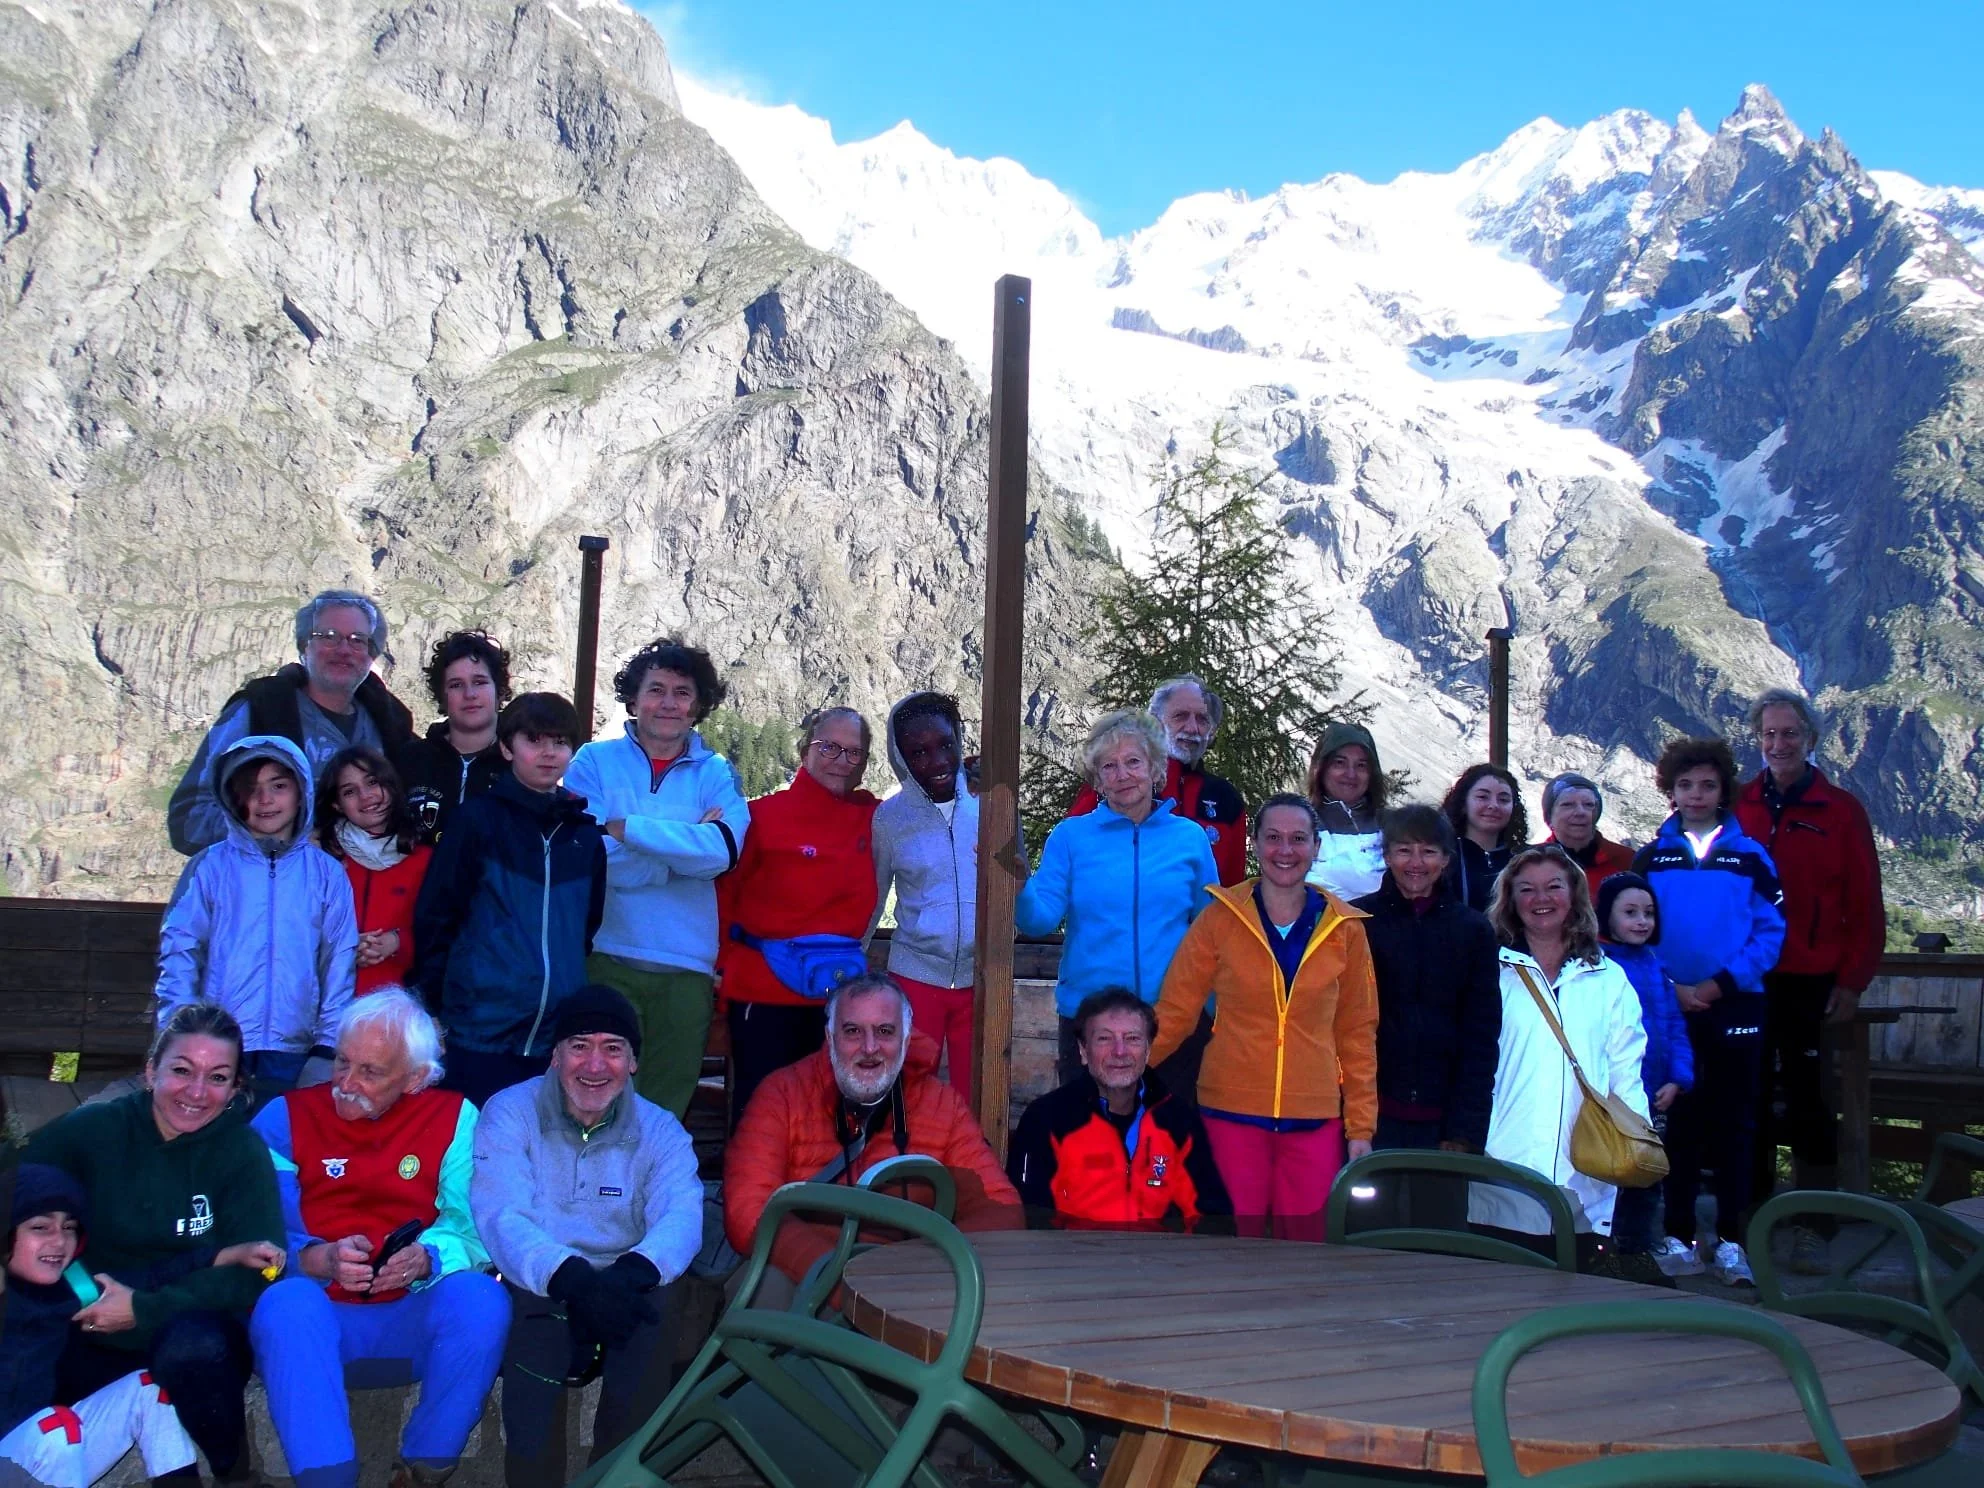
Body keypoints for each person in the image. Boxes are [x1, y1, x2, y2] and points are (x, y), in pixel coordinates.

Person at [249, 991, 508, 1488]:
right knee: (288, 1303)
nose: (345, 1084)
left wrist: (427, 1258)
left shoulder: (455, 1118)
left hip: (407, 1321)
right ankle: (328, 1479)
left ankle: (422, 1470)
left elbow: (475, 1226)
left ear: (415, 1078)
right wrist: (314, 1258)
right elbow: (252, 1236)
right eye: (341, 1062)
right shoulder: (283, 1119)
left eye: (370, 1072)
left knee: (481, 1298)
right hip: (312, 1328)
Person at [22, 1004, 285, 1485]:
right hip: (89, 1320)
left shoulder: (242, 1153)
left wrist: (146, 1308)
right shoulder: (96, 1131)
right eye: (182, 1071)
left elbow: (261, 1268)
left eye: (218, 1077)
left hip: (186, 1328)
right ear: (150, 1071)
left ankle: (233, 1472)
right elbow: (13, 1188)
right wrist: (77, 1286)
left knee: (197, 1347)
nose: (197, 1092)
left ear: (235, 1089)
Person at [472, 986, 702, 1488]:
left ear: (634, 1062)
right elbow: (501, 1214)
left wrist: (632, 1273)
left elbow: (681, 1216)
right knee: (534, 1319)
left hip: (626, 1277)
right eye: (579, 1045)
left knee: (656, 1309)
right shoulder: (509, 1113)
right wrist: (569, 1277)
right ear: (555, 1054)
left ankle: (616, 1478)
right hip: (539, 1276)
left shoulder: (662, 1131)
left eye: (613, 1048)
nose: (594, 1065)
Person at [1151, 794, 1379, 1242]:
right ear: (1255, 844)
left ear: (1316, 847)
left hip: (1314, 1120)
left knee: (1308, 1251)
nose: (1285, 850)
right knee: (1231, 1246)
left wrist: (1361, 1126)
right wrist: (1118, 1079)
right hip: (1229, 1113)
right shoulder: (1219, 920)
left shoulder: (1345, 930)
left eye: (1298, 839)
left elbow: (1356, 1033)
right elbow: (1176, 1013)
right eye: (1273, 838)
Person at [722, 974, 1023, 1292]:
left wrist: (922, 1265)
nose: (869, 1048)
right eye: (853, 1031)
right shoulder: (780, 1095)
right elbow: (748, 1211)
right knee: (763, 1290)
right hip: (807, 1278)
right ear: (830, 1036)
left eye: (884, 1032)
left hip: (904, 1282)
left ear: (906, 1041)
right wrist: (839, 1277)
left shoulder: (940, 1104)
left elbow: (1001, 1209)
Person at [564, 641, 750, 1121]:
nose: (669, 703)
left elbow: (723, 852)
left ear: (697, 706)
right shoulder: (591, 762)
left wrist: (628, 829)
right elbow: (588, 855)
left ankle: (648, 1198)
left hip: (686, 970)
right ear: (633, 699)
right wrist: (680, 852)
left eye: (682, 693)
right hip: (605, 957)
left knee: (664, 1113)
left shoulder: (716, 772)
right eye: (656, 690)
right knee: (593, 1102)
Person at [1734, 688, 1884, 1272]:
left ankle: (1814, 1225)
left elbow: (1865, 902)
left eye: (1789, 733)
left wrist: (1853, 981)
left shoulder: (1841, 810)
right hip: (1747, 977)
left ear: (1810, 739)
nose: (1778, 744)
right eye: (1768, 734)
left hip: (1810, 977)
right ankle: (1748, 1218)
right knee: (1746, 1094)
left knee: (1808, 1101)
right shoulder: (1740, 805)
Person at [1633, 738, 1786, 1287]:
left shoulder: (1751, 856)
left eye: (1707, 785)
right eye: (1685, 785)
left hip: (1736, 1005)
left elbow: (1771, 933)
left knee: (1735, 1124)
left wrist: (1720, 985)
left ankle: (1730, 1241)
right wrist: (1671, 989)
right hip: (1671, 1008)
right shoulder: (1652, 857)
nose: (1696, 794)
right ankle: (1673, 1232)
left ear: (1724, 790)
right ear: (1670, 791)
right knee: (1677, 1122)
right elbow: (1635, 928)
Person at [0, 1165, 257, 1488]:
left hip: (42, 1453)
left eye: (68, 1228)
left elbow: (154, 1277)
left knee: (147, 1388)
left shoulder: (75, 1285)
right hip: (30, 1449)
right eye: (40, 1227)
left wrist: (228, 1254)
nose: (59, 1240)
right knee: (56, 1427)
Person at [413, 693, 606, 1109]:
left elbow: (585, 931)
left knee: (536, 1157)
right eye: (533, 740)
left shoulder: (585, 838)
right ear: (506, 747)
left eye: (559, 741)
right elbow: (437, 915)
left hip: (554, 1039)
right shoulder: (476, 821)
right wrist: (435, 1002)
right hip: (479, 1029)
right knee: (471, 1152)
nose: (548, 752)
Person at [1016, 711, 1218, 1086]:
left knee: (1169, 1141)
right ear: (1097, 778)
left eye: (1133, 762)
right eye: (1109, 766)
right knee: (1089, 1138)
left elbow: (1211, 929)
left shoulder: (1189, 838)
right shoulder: (1070, 837)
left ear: (1155, 768)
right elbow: (1037, 920)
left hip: (1172, 1021)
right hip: (1092, 1023)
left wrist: (1208, 1009)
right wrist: (1018, 884)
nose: (1122, 775)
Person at [155, 735, 357, 1101]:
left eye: (279, 786)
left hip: (296, 1049)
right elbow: (181, 953)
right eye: (251, 789)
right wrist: (179, 1035)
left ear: (301, 792)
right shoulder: (210, 867)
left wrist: (328, 1046)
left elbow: (339, 962)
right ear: (233, 799)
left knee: (282, 1150)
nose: (266, 800)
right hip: (216, 1047)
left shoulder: (327, 874)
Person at [1476, 846, 1650, 1262]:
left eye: (1554, 887)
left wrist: (1634, 1142)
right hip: (1501, 1159)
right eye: (1526, 889)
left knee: (1572, 1288)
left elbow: (1626, 1066)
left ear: (1573, 894)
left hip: (1585, 1166)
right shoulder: (1488, 968)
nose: (1541, 899)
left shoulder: (1608, 977)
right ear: (1510, 901)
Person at [717, 707, 881, 1123]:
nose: (841, 761)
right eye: (830, 748)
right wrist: (718, 968)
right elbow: (723, 896)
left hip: (839, 995)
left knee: (829, 1115)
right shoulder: (760, 816)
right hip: (763, 991)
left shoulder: (874, 817)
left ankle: (819, 1191)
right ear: (805, 749)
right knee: (762, 1111)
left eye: (854, 753)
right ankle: (752, 1190)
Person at [169, 591, 416, 855]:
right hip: (273, 890)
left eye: (358, 641)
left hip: (370, 892)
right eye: (328, 636)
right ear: (304, 646)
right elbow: (189, 821)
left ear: (372, 655)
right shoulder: (257, 712)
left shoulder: (390, 725)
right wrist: (282, 837)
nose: (344, 649)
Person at [1007, 989, 1230, 1231]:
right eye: (1104, 1038)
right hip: (1073, 1262)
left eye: (1132, 1038)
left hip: (1161, 1262)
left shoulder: (1177, 1121)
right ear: (1083, 1050)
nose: (1120, 1051)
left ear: (1148, 1049)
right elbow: (1028, 1215)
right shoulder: (1047, 1120)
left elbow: (1211, 1216)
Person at [1351, 806, 1501, 1160]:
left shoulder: (1474, 931)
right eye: (1404, 850)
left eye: (1429, 851)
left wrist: (1464, 1130)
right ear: (1386, 855)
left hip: (1444, 1121)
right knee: (1369, 1216)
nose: (1416, 862)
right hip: (1370, 1116)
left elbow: (1481, 1036)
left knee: (1434, 1216)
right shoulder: (1356, 923)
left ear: (1447, 859)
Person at [870, 692, 980, 1102]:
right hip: (915, 978)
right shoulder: (890, 819)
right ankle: (907, 1168)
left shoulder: (992, 805)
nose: (936, 762)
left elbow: (1016, 885)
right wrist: (852, 960)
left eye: (945, 746)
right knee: (910, 1099)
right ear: (900, 757)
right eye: (918, 752)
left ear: (959, 740)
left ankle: (973, 1169)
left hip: (981, 982)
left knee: (977, 1099)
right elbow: (874, 897)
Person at [1065, 676, 1249, 885]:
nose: (1192, 728)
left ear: (1212, 732)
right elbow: (1069, 857)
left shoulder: (1226, 800)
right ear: (1155, 722)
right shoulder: (1118, 779)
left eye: (1202, 719)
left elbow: (1233, 893)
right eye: (1180, 716)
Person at [1596, 873, 1694, 1259]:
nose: (1641, 921)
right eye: (1630, 912)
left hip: (1655, 1094)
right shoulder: (1600, 966)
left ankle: (1637, 1247)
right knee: (1610, 1170)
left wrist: (1679, 1078)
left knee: (1648, 1169)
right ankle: (1604, 1244)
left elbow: (1674, 1026)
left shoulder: (1656, 967)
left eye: (1648, 913)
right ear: (1607, 917)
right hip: (1614, 1094)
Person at [317, 746, 432, 997]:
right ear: (337, 804)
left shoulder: (424, 860)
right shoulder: (324, 861)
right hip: (330, 1007)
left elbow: (439, 933)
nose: (366, 796)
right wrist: (345, 949)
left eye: (372, 782)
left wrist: (398, 942)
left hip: (399, 1007)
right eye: (350, 791)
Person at [397, 631, 512, 843]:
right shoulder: (409, 760)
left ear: (500, 690)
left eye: (479, 682)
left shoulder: (520, 763)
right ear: (442, 695)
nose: (469, 694)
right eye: (456, 685)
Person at [1304, 722, 1388, 900]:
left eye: (1361, 765)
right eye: (1340, 763)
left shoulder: (1392, 825)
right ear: (1322, 768)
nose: (1351, 774)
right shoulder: (1301, 821)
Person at [1440, 764, 1529, 914]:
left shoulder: (1524, 860)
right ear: (1463, 804)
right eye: (1482, 797)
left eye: (1503, 799)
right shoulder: (1443, 858)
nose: (1493, 805)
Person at [1540, 772, 1634, 894]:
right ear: (1549, 816)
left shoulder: (1627, 860)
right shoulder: (1532, 862)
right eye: (1567, 804)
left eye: (1589, 805)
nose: (1580, 812)